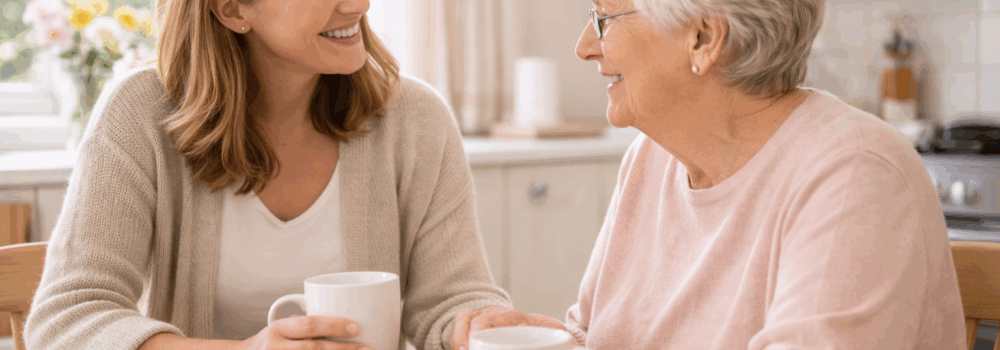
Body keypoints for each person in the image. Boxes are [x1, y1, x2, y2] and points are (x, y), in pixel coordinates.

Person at [450, 0, 968, 348]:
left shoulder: (855, 176)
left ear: (702, 38)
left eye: (604, 17)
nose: (585, 45)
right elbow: (598, 336)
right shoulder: (649, 160)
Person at [24, 0, 514, 349]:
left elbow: (450, 299)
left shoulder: (415, 119)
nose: (359, 5)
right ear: (233, 10)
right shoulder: (139, 115)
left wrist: (478, 324)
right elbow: (68, 321)